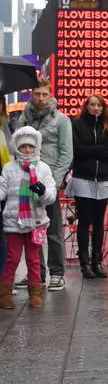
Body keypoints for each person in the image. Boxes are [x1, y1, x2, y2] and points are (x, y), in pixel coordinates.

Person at [17, 79, 72, 291]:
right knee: (31, 228)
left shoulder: (61, 120)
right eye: (37, 94)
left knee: (53, 229)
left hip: (48, 181)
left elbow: (66, 154)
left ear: (50, 95)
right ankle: (36, 273)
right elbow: (18, 147)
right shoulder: (23, 117)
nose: (40, 98)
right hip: (26, 181)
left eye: (44, 94)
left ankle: (57, 273)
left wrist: (54, 182)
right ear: (31, 93)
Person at [0, 127, 57, 310]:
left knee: (33, 259)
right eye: (23, 146)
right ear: (17, 146)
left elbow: (51, 196)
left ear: (36, 147)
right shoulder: (9, 168)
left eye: (30, 146)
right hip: (13, 222)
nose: (26, 150)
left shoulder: (43, 168)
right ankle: (4, 294)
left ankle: (35, 294)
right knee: (12, 259)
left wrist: (42, 191)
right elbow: (2, 191)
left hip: (36, 221)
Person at [70, 94, 108, 280]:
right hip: (83, 179)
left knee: (99, 223)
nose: (96, 108)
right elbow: (77, 151)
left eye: (99, 105)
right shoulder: (77, 124)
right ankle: (85, 263)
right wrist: (98, 150)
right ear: (86, 106)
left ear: (103, 107)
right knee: (84, 221)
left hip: (103, 180)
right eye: (92, 104)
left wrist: (90, 149)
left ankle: (97, 260)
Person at [0, 93, 12, 276]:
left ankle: (3, 277)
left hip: (3, 184)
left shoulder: (4, 128)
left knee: (2, 233)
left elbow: (9, 156)